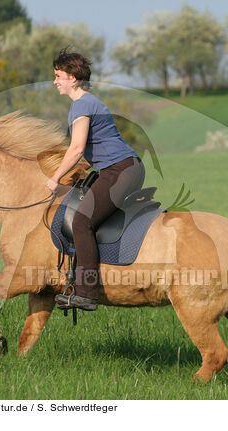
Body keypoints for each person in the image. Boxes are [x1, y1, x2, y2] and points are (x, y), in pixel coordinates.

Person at [47, 48, 145, 311]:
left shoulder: (81, 105)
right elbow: (90, 152)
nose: (55, 81)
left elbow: (77, 148)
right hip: (120, 168)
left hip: (120, 170)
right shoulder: (89, 103)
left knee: (81, 222)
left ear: (73, 78)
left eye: (58, 76)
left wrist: (55, 177)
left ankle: (87, 293)